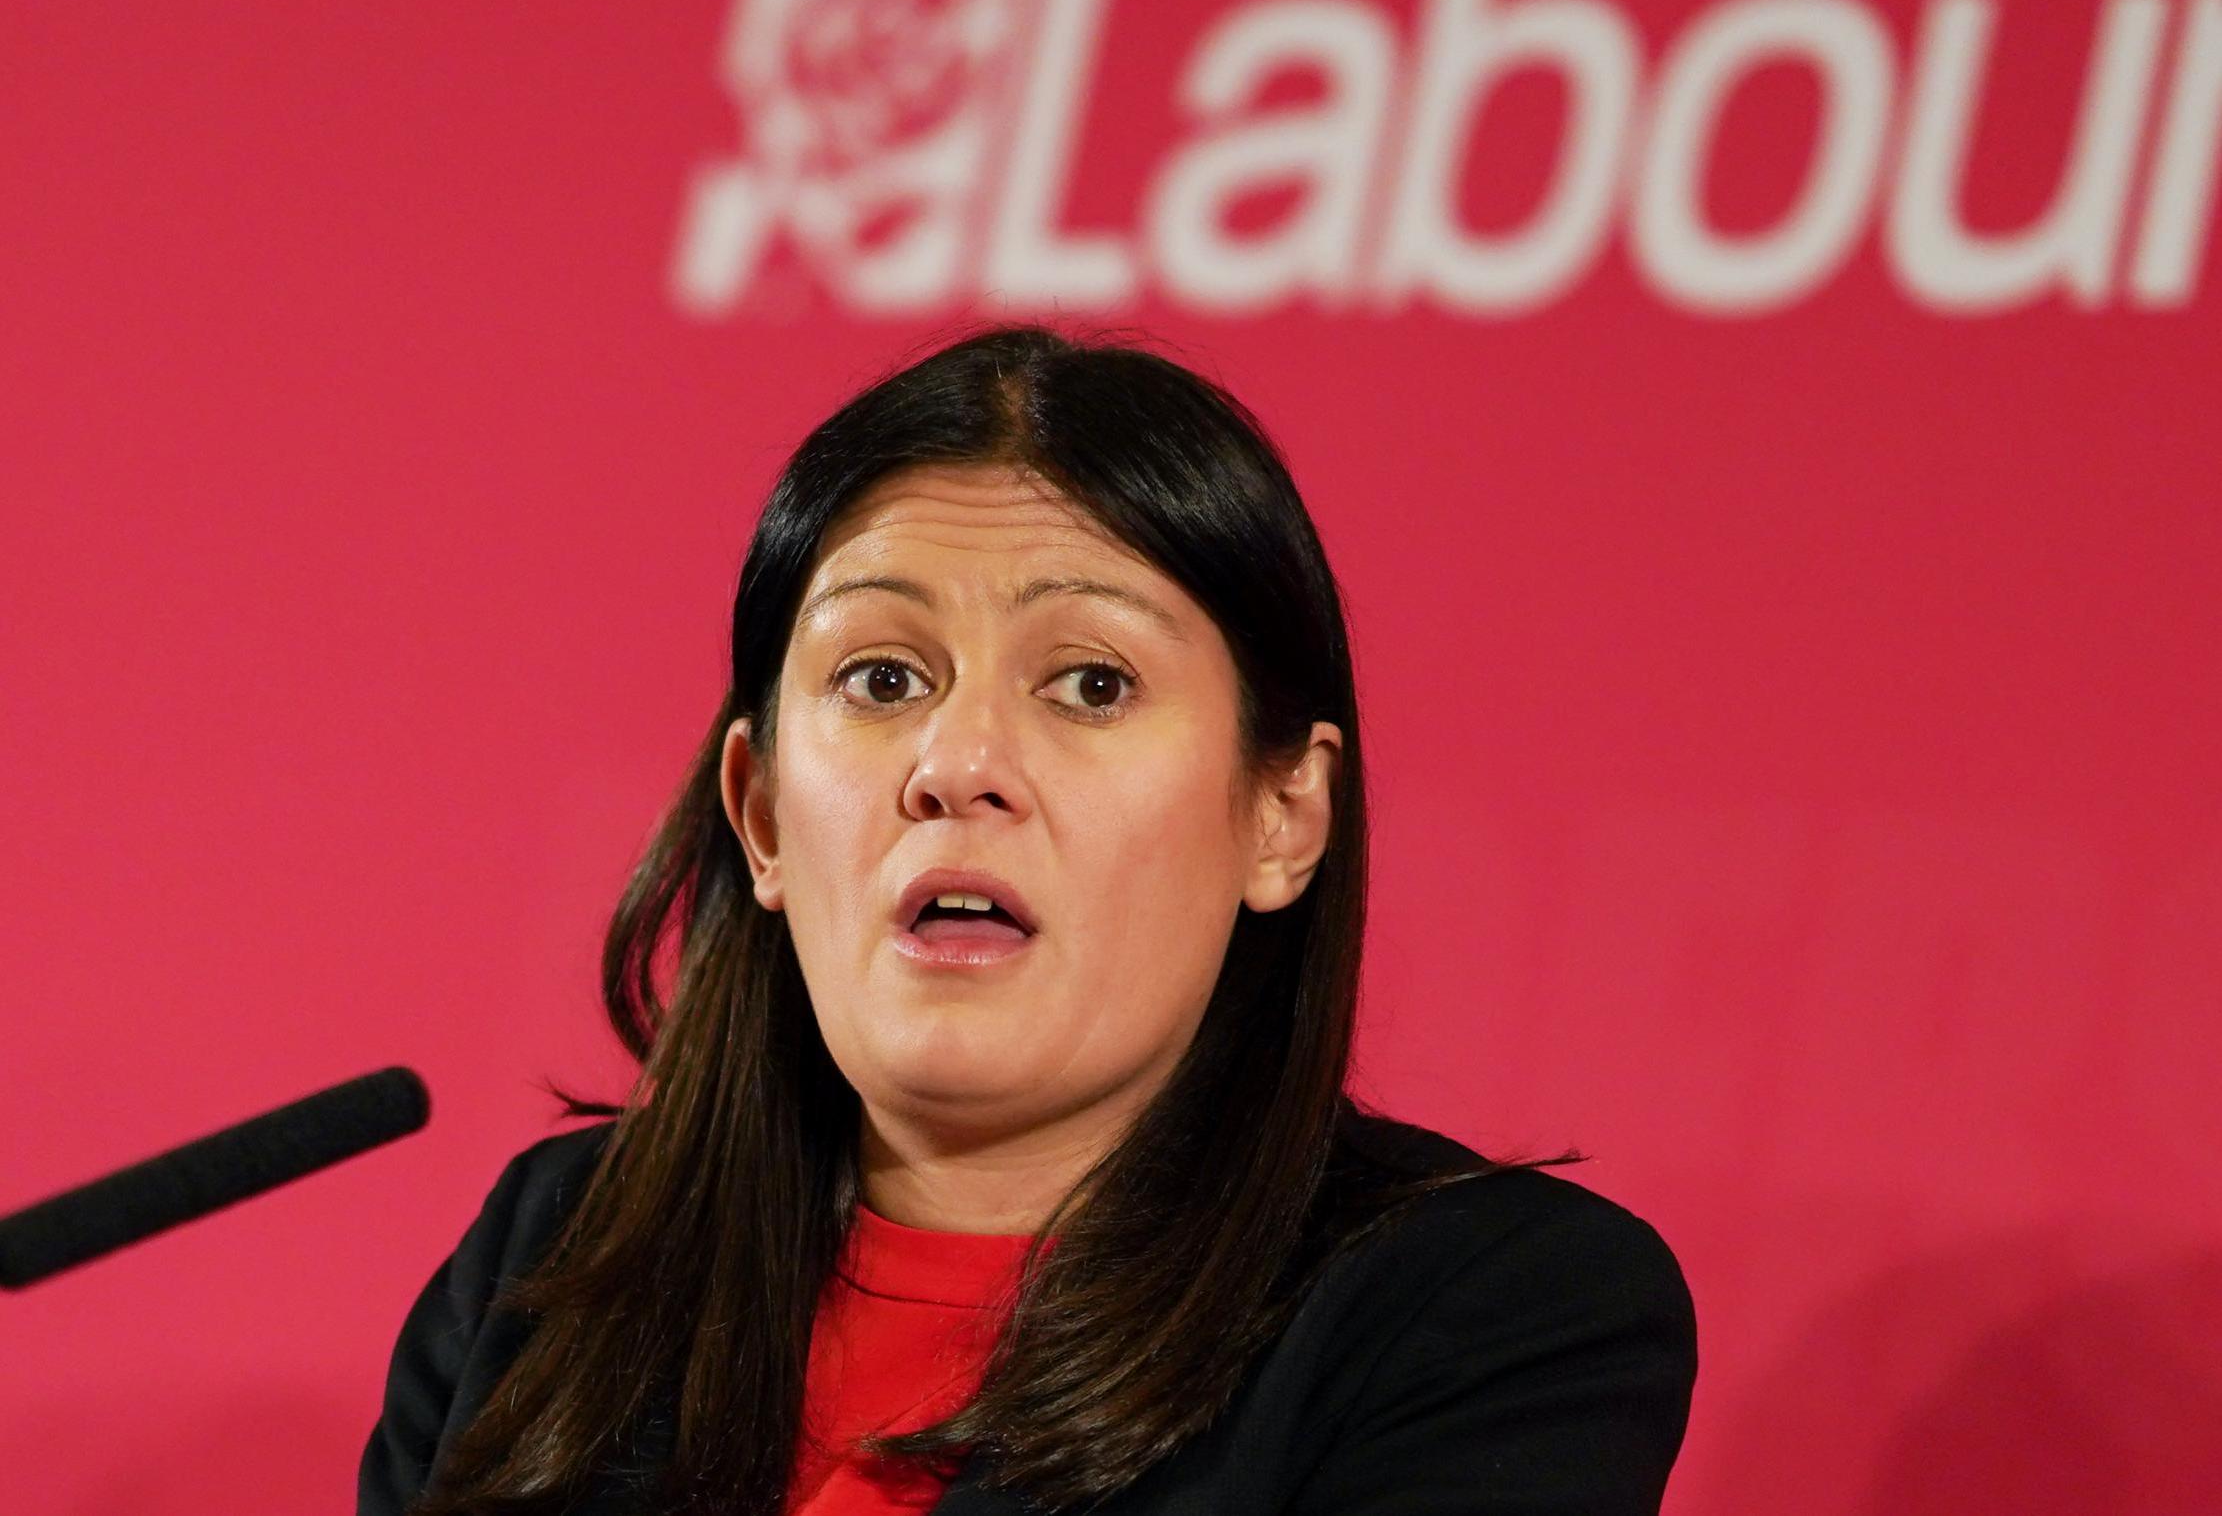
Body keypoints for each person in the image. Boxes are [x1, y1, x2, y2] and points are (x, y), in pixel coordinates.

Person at [358, 325, 1698, 1516]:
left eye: (1091, 685)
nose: (955, 762)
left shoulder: (1483, 1317)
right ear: (759, 813)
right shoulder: (554, 1267)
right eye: (880, 676)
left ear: (1283, 813)